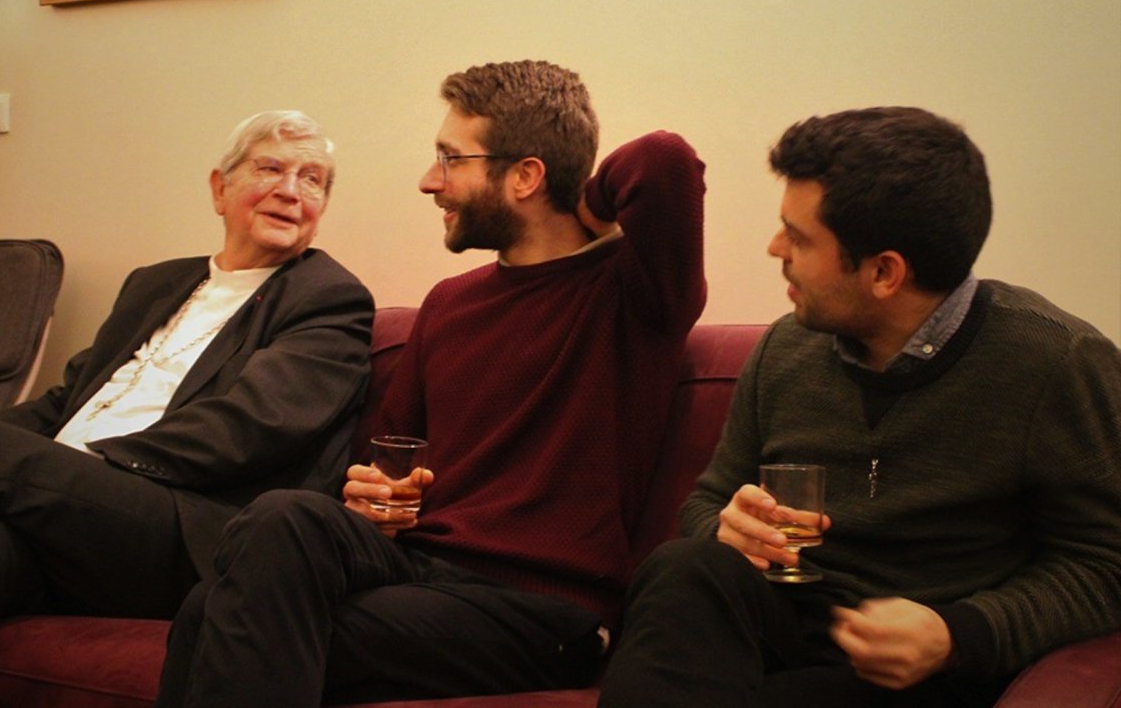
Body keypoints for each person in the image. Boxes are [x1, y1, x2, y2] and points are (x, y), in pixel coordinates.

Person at [154, 60, 708, 707]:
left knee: (212, 617)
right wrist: (371, 490)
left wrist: (583, 202)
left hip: (542, 608)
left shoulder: (632, 293)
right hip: (419, 568)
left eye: (450, 159)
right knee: (282, 517)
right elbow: (388, 460)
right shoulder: (448, 304)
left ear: (527, 175)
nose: (429, 182)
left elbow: (664, 160)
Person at [597, 106, 1121, 708]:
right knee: (683, 567)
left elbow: (1105, 564)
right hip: (779, 634)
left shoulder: (1056, 362)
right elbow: (709, 499)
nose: (774, 249)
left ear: (884, 272)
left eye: (798, 237)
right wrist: (725, 527)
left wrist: (960, 632)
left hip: (924, 671)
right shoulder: (786, 349)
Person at [0, 110, 374, 707]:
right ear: (220, 188)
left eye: (313, 179)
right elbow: (64, 404)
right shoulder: (154, 284)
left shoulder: (329, 299)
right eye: (270, 168)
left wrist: (78, 469)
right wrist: (25, 457)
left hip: (181, 527)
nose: (291, 191)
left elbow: (248, 428)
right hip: (73, 519)